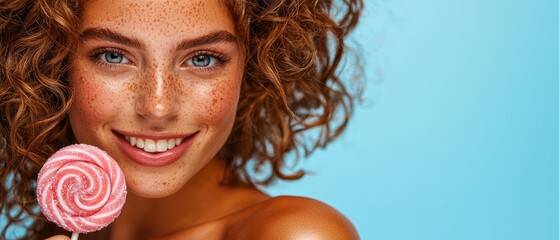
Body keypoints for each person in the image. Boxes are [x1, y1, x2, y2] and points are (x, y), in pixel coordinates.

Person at [0, 0, 364, 239]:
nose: (158, 107)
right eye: (113, 55)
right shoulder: (60, 231)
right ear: (49, 63)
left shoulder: (295, 234)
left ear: (254, 69)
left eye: (202, 59)